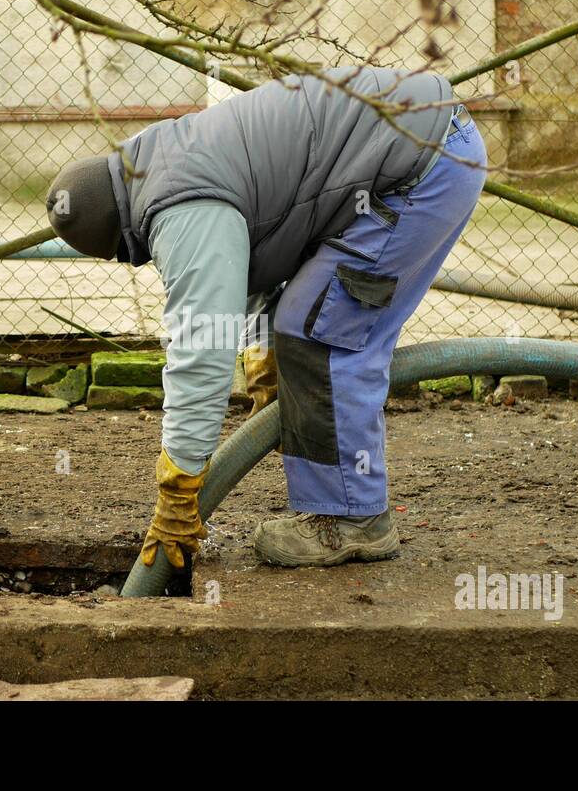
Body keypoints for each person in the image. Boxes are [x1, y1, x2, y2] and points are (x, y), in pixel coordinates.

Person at [46, 66, 486, 569]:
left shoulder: (181, 212)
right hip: (426, 137)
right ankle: (341, 504)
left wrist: (178, 485)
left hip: (423, 168)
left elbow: (202, 352)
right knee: (303, 324)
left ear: (120, 241)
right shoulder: (159, 159)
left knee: (321, 332)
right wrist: (263, 360)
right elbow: (254, 256)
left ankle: (353, 520)